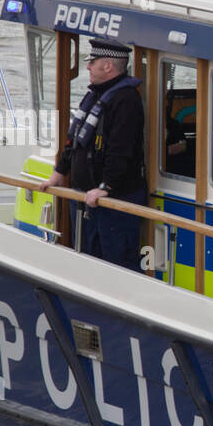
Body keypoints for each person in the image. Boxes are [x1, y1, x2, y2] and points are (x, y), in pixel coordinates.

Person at [42, 38, 147, 270]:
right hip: (87, 200)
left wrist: (106, 187)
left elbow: (121, 150)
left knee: (115, 265)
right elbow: (76, 139)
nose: (87, 67)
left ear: (108, 66)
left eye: (92, 62)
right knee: (87, 261)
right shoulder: (95, 95)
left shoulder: (126, 100)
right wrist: (60, 172)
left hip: (114, 201)